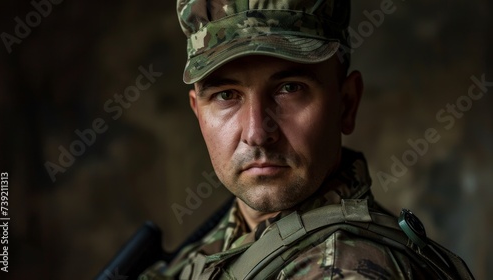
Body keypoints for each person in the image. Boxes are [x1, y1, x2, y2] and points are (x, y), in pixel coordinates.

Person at [139, 0, 474, 279]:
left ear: (346, 104)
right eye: (227, 95)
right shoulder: (223, 243)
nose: (257, 132)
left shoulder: (344, 269)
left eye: (289, 89)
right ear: (199, 113)